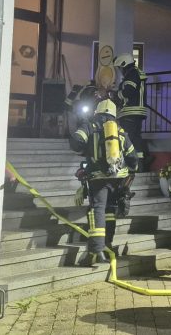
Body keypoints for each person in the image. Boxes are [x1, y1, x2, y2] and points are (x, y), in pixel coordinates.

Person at [70, 99, 138, 265]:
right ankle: (107, 245)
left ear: (97, 111)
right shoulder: (120, 130)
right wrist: (130, 174)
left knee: (97, 210)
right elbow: (133, 157)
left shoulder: (90, 125)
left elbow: (77, 142)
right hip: (119, 179)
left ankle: (94, 251)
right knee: (109, 212)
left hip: (98, 177)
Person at [113, 53, 150, 169]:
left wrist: (115, 95)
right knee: (135, 139)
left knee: (127, 138)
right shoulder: (136, 73)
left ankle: (132, 165)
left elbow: (128, 92)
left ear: (124, 64)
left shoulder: (132, 74)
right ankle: (139, 165)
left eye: (120, 68)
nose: (120, 71)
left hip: (130, 112)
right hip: (136, 113)